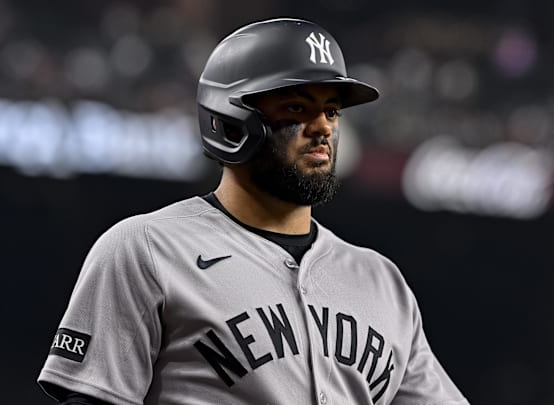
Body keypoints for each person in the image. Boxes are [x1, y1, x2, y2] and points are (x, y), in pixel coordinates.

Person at [37, 17, 470, 405]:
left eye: (332, 110)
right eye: (298, 107)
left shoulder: (382, 282)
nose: (323, 127)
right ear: (230, 121)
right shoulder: (146, 249)